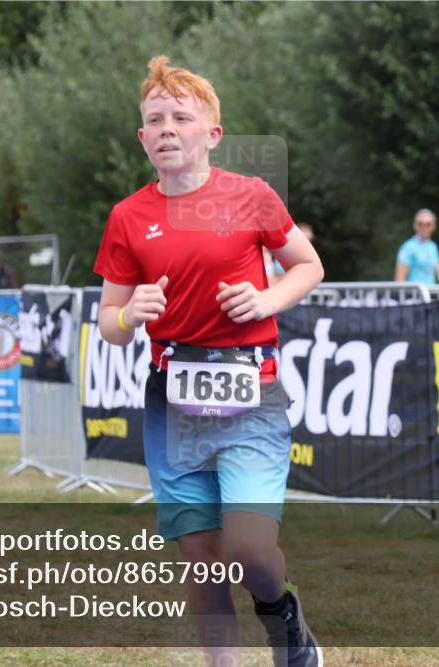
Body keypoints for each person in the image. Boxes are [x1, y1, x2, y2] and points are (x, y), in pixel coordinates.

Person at [94, 56, 324, 666]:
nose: (167, 127)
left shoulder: (252, 197)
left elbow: (309, 265)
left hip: (251, 392)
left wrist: (265, 298)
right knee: (202, 559)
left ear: (211, 135)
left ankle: (285, 618)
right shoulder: (127, 217)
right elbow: (108, 325)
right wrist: (130, 314)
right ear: (142, 140)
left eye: (180, 116)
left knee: (249, 552)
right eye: (154, 119)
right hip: (172, 401)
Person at [394, 209, 439, 285]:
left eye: (428, 224)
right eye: (420, 224)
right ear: (415, 226)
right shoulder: (407, 247)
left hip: (430, 294)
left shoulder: (433, 246)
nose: (424, 227)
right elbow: (399, 279)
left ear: (433, 226)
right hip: (414, 295)